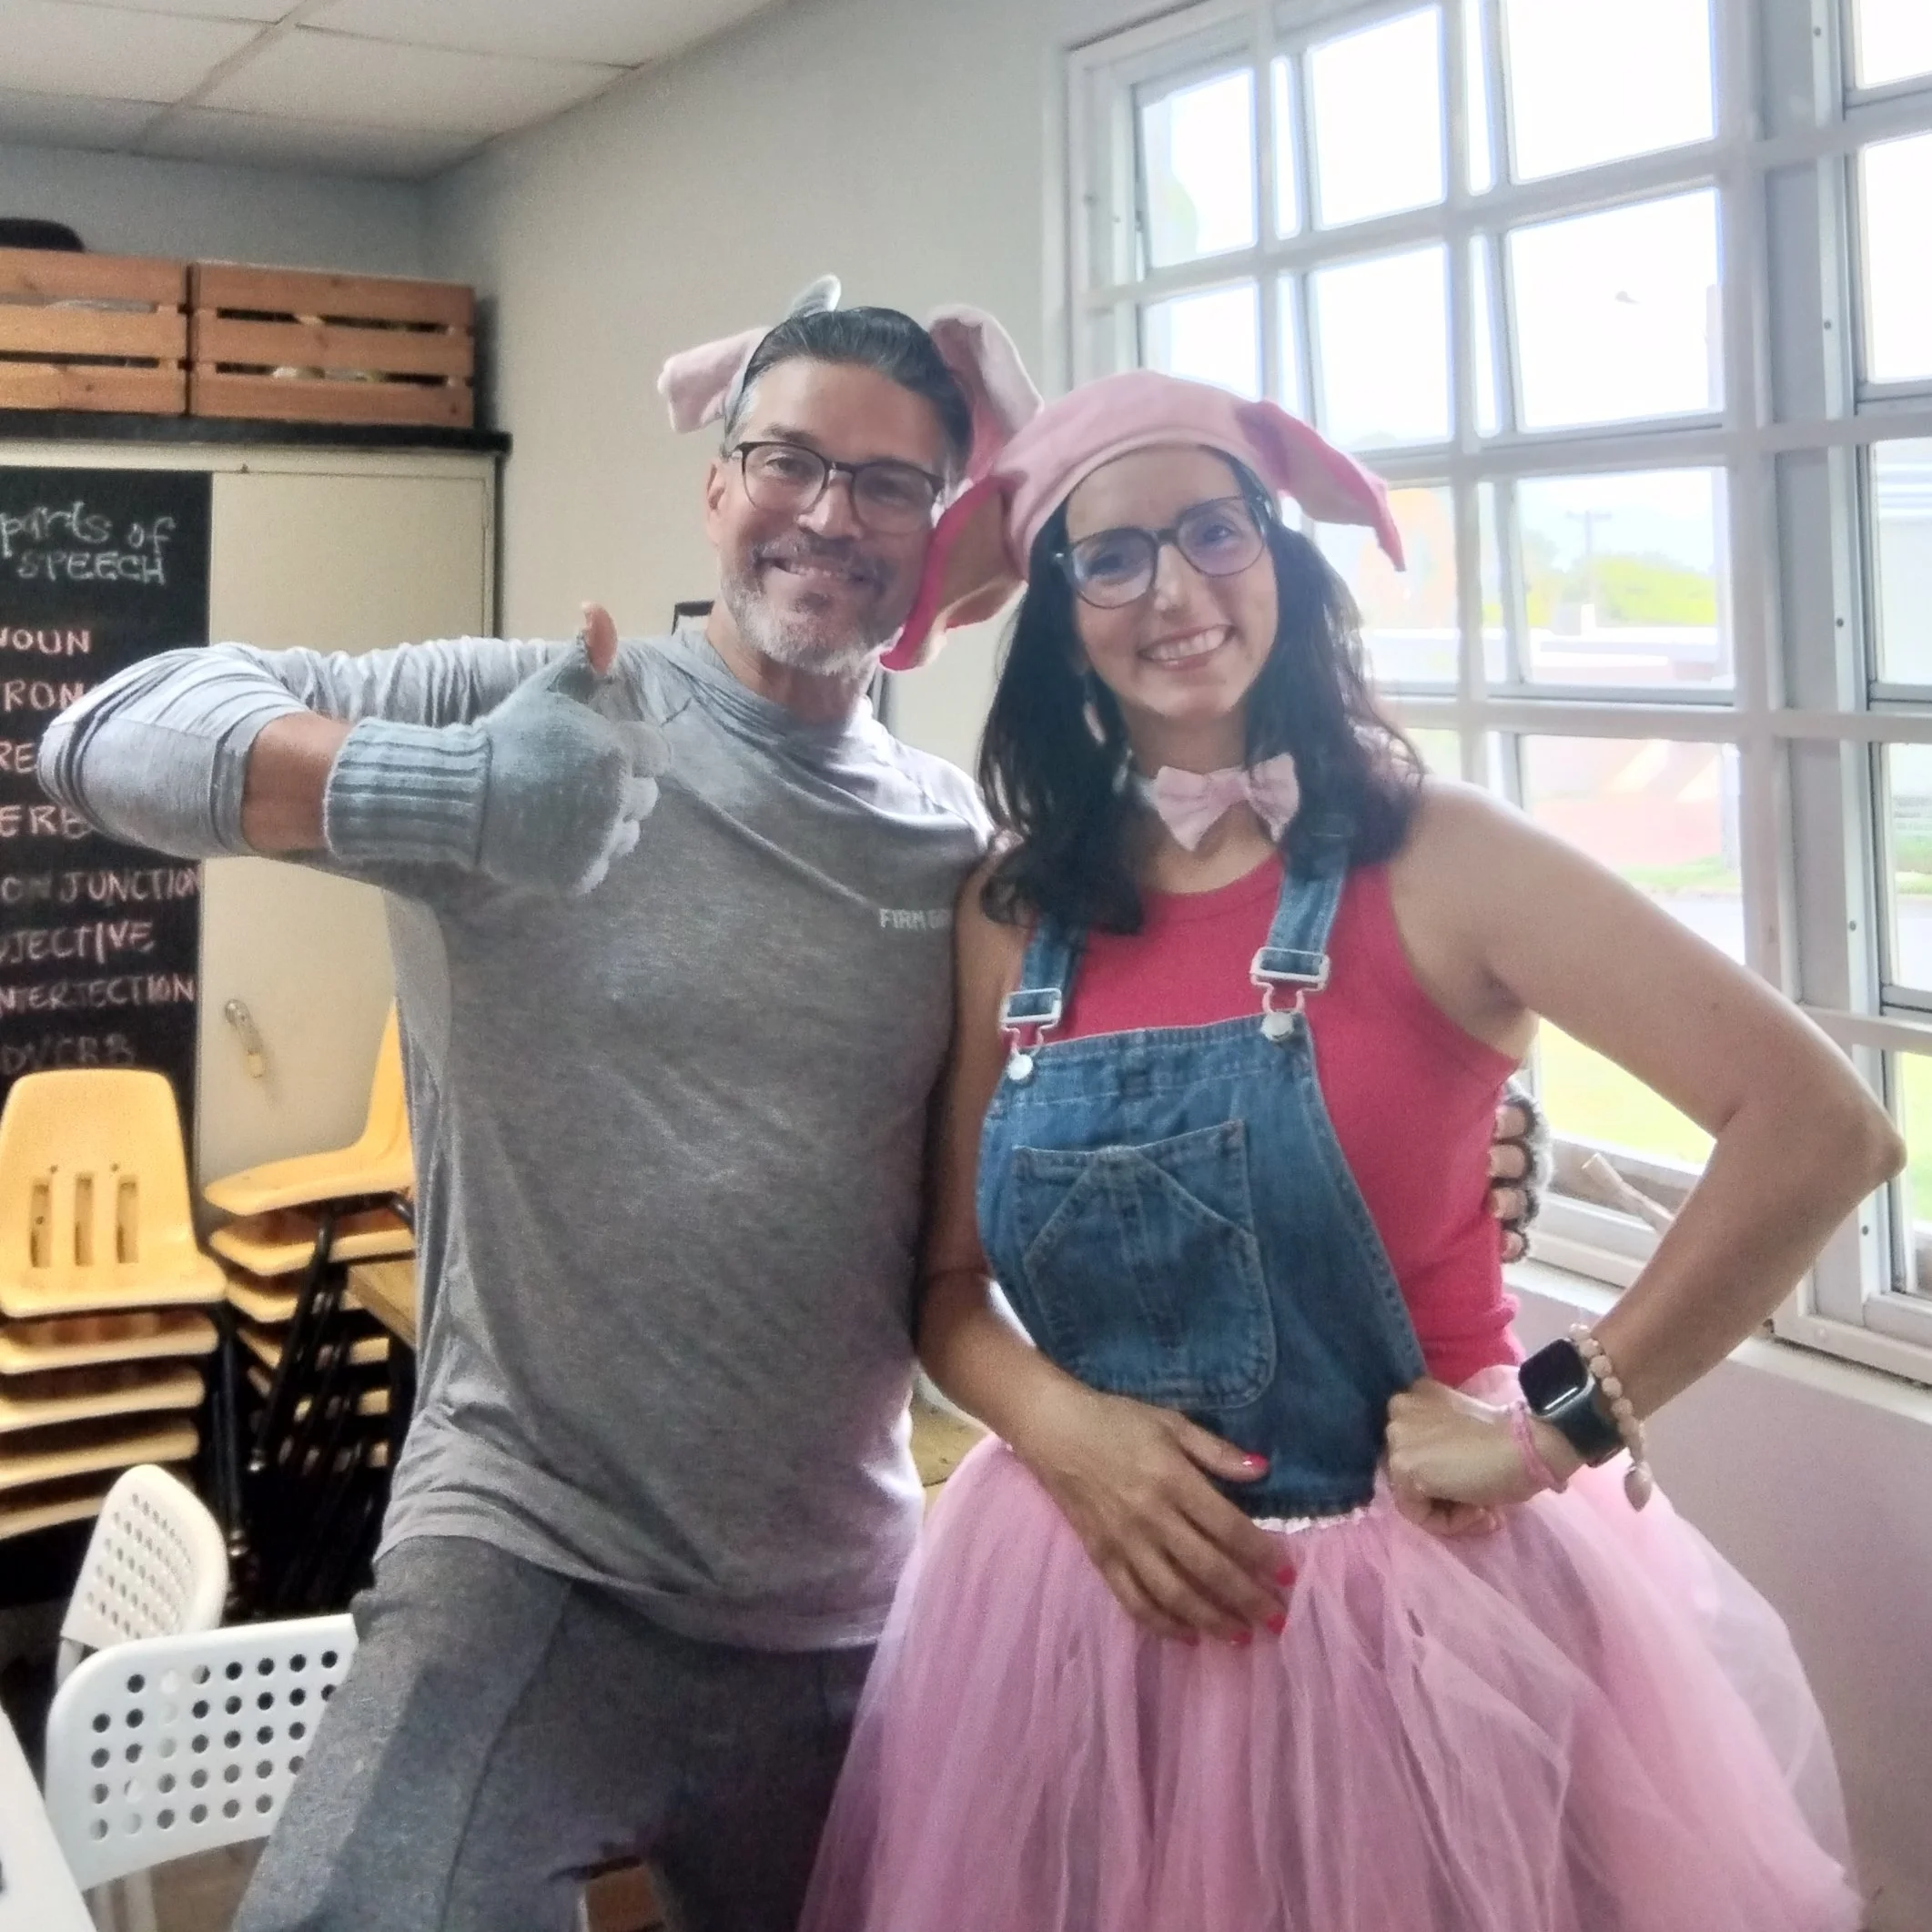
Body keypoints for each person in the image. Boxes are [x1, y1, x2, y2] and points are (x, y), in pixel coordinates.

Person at [41, 291, 1538, 1931]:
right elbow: (103, 733)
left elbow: (1098, 1153)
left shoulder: (959, 852)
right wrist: (452, 795)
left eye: (889, 484)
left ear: (935, 543)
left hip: (848, 1608)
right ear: (717, 483)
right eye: (789, 461)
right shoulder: (525, 708)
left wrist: (1433, 1152)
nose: (830, 514)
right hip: (528, 1570)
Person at [799, 368, 1897, 1931]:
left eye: (1213, 530)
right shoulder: (1012, 909)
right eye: (1111, 555)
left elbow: (1816, 1128)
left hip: (1424, 1640)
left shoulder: (1441, 855)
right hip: (1076, 1620)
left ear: (1278, 552)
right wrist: (1063, 1429)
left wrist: (1554, 1423)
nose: (1174, 590)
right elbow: (948, 1288)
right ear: (1057, 616)